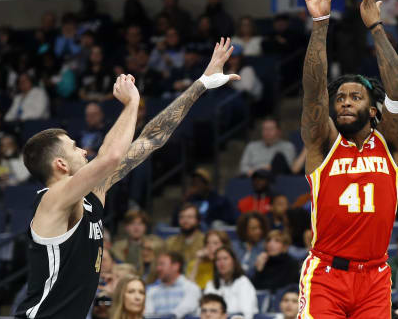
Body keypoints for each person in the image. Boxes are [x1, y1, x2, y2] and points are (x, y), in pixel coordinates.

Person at [15, 38, 240, 318]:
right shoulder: (52, 200)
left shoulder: (93, 191)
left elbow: (151, 138)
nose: (84, 150)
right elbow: (109, 156)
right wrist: (133, 102)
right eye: (74, 147)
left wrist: (201, 84)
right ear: (60, 164)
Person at [297, 0, 398, 317]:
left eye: (355, 97)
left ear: (373, 111)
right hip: (327, 275)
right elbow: (314, 91)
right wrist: (320, 22)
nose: (344, 102)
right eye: (341, 98)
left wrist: (376, 28)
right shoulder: (322, 143)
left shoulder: (389, 143)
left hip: (375, 276)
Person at [204, 246, 258, 319]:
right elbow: (204, 310)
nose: (221, 263)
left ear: (234, 261)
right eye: (218, 260)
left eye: (225, 258)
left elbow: (247, 313)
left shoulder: (243, 282)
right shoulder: (211, 284)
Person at [145, 252, 201, 318]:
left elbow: (181, 311)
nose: (158, 268)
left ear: (175, 266)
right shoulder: (152, 291)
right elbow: (148, 315)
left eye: (162, 264)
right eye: (158, 265)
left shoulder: (191, 288)